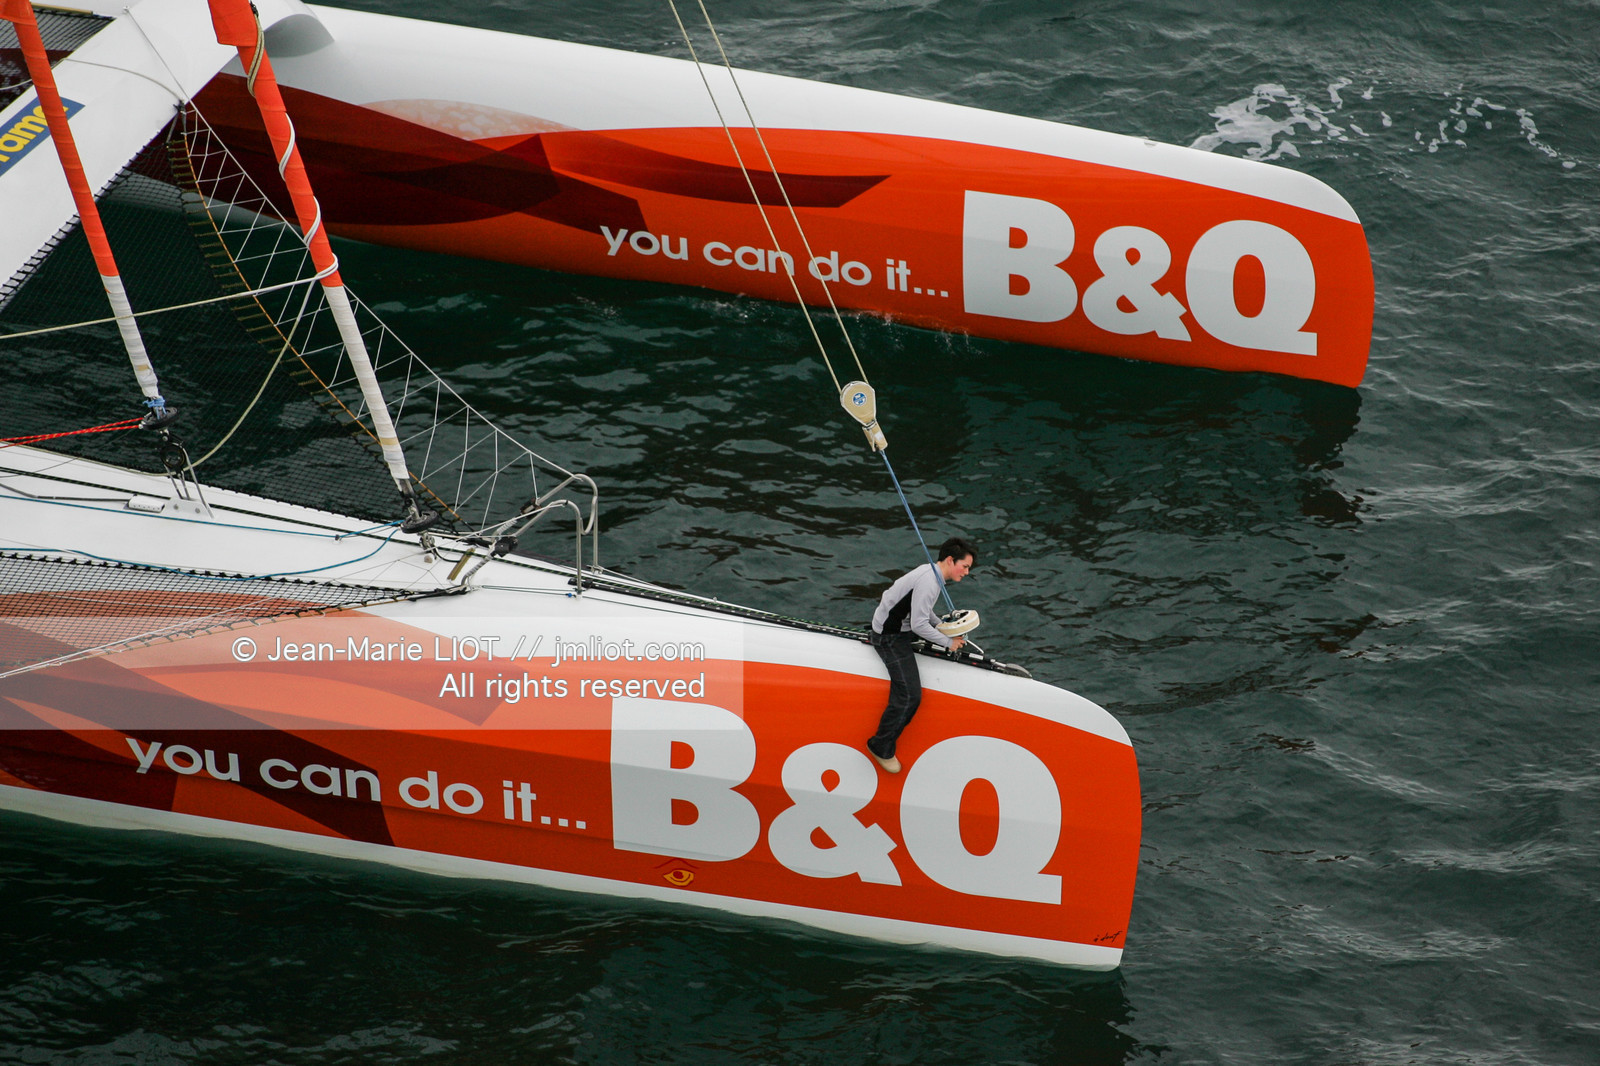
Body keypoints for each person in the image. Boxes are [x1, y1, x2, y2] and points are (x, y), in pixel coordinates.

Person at [865, 536, 977, 774]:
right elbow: (918, 624)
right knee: (910, 696)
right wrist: (947, 642)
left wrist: (940, 627)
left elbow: (923, 613)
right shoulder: (930, 583)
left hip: (895, 626)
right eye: (965, 566)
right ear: (950, 560)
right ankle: (880, 745)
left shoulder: (930, 573)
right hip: (889, 636)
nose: (966, 572)